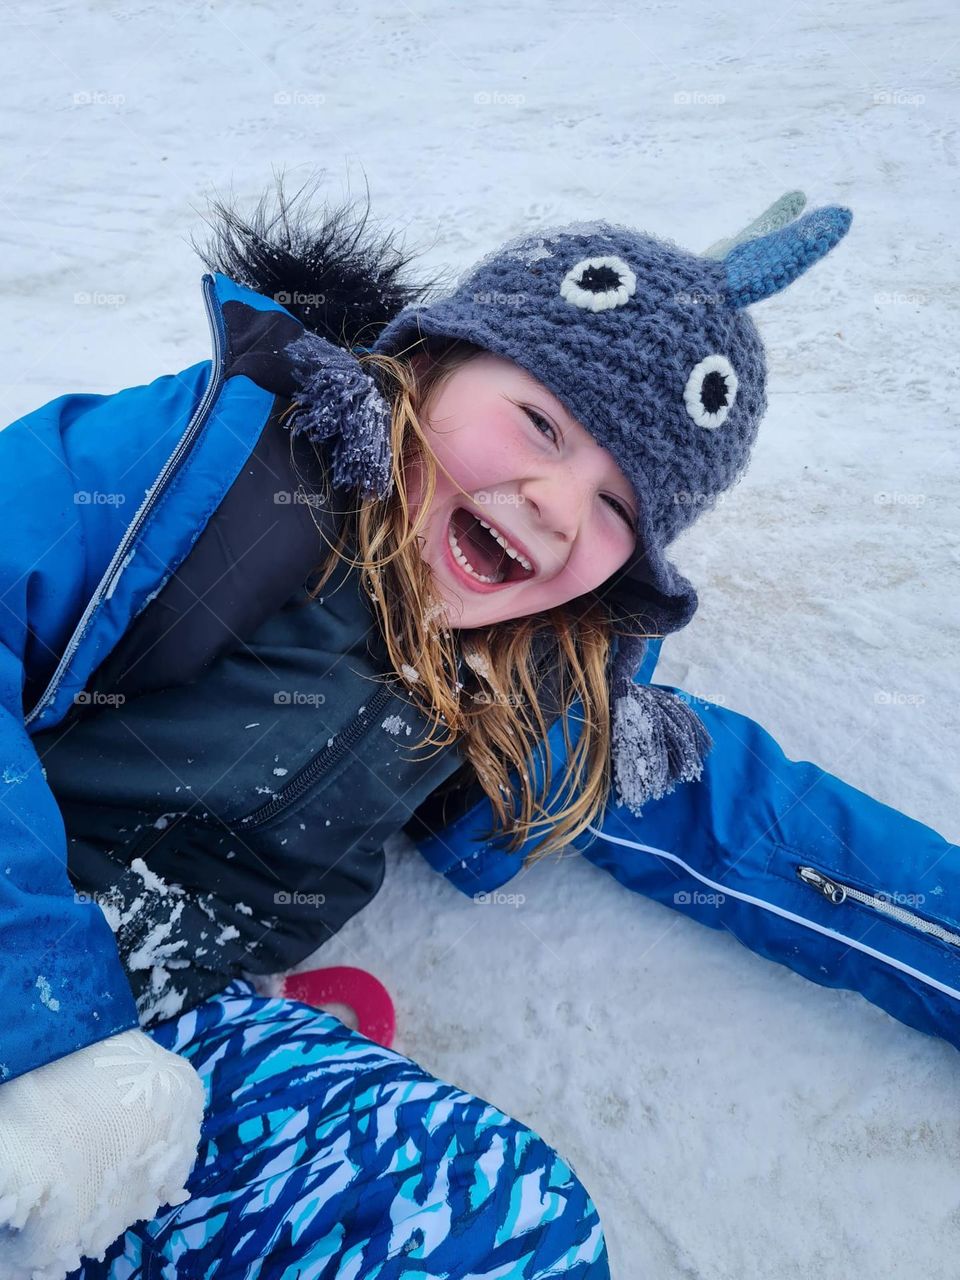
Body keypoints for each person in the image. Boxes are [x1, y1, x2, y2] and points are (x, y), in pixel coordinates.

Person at [0, 177, 954, 1277]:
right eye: (541, 423)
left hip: (159, 1051)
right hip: (45, 968)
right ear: (431, 361)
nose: (557, 503)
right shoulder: (212, 468)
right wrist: (52, 1024)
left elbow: (744, 825)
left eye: (618, 506)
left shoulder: (521, 674)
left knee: (493, 1221)